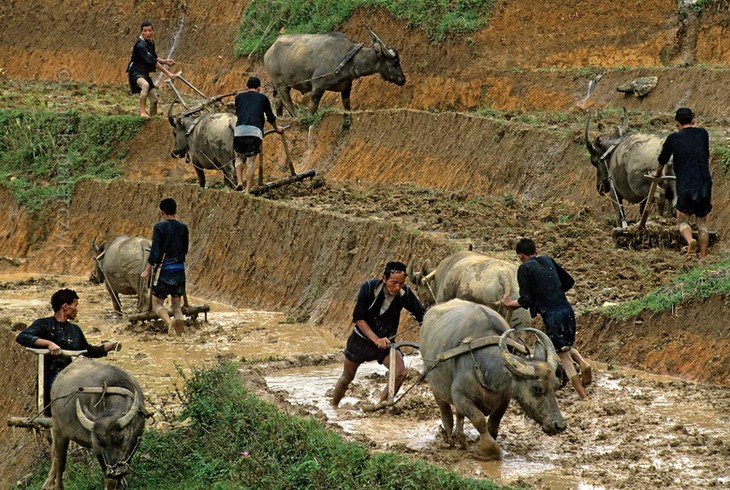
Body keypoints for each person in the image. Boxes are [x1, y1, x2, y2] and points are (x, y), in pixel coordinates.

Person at [501, 238, 592, 400]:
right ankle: (584, 364)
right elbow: (569, 282)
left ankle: (583, 396)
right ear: (536, 250)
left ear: (521, 256)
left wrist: (509, 304)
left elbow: (525, 300)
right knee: (565, 346)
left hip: (552, 316)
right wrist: (551, 290)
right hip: (567, 310)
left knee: (563, 358)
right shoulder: (547, 259)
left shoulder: (524, 268)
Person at [331, 261, 426, 408]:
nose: (397, 287)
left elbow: (421, 314)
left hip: (386, 343)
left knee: (400, 373)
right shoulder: (368, 288)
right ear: (384, 278)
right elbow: (358, 318)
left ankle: (380, 408)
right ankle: (333, 407)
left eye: (401, 284)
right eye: (393, 283)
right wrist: (376, 339)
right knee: (347, 377)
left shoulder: (404, 292)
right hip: (361, 341)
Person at [15, 289, 121, 415]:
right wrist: (48, 344)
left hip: (73, 379)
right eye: (75, 305)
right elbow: (22, 337)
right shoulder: (44, 324)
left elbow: (87, 350)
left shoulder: (75, 330)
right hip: (50, 378)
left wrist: (108, 347)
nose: (77, 309)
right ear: (65, 306)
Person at [655, 107, 712, 258]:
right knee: (702, 223)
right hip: (705, 183)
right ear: (693, 121)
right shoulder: (703, 134)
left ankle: (690, 241)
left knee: (681, 219)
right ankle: (703, 256)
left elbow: (662, 160)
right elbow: (705, 154)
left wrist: (657, 175)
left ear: (677, 124)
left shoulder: (673, 138)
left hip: (686, 184)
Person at [141, 198, 189, 336]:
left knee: (157, 304)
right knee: (176, 306)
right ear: (176, 211)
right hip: (180, 270)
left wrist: (146, 270)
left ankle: (169, 322)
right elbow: (185, 249)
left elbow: (155, 252)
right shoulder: (183, 228)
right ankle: (179, 335)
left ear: (162, 212)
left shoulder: (159, 227)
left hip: (164, 271)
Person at [233, 76, 282, 193]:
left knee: (238, 158)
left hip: (239, 131)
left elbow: (240, 112)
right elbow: (270, 117)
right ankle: (247, 191)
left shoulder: (238, 97)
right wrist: (277, 128)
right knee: (250, 163)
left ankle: (239, 181)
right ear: (259, 88)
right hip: (254, 132)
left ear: (246, 87)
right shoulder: (263, 99)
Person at [126, 20, 177, 118]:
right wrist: (168, 73)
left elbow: (154, 57)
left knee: (154, 100)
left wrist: (166, 61)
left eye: (149, 31)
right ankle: (142, 112)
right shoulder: (140, 45)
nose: (148, 33)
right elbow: (153, 62)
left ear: (153, 32)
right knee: (145, 85)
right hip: (135, 72)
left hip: (144, 72)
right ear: (141, 32)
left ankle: (153, 120)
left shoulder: (151, 43)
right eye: (145, 31)